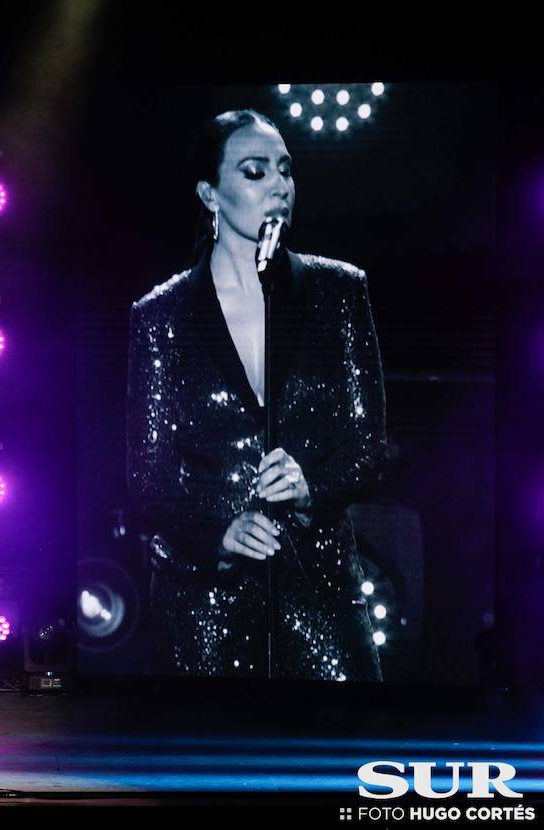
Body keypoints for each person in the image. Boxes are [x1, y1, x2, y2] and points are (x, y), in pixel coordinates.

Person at [126, 109, 386, 681]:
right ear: (209, 194)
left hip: (320, 595)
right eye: (254, 171)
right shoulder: (162, 316)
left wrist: (310, 489)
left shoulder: (339, 292)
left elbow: (367, 447)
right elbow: (147, 478)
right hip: (204, 611)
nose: (279, 186)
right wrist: (218, 535)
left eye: (285, 170)